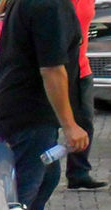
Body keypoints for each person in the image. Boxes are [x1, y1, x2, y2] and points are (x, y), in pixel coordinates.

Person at [0, 0, 91, 210]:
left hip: (19, 104)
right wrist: (70, 125)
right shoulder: (49, 5)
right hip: (31, 109)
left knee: (45, 177)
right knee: (26, 188)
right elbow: (52, 69)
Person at [67, 0, 107, 187]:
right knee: (49, 123)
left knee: (85, 121)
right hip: (60, 67)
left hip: (82, 67)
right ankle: (43, 169)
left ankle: (78, 172)